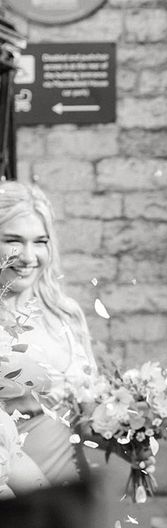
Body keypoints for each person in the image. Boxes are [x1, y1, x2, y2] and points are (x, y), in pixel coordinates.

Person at [0, 182, 96, 485]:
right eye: (13, 241)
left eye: (39, 241)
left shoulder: (65, 314)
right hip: (16, 497)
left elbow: (87, 419)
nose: (29, 256)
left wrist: (130, 440)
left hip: (71, 488)